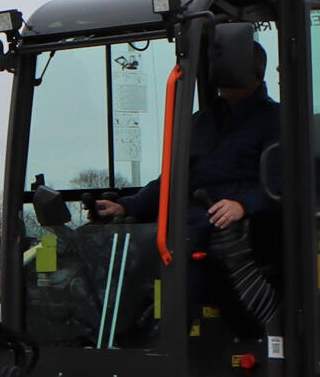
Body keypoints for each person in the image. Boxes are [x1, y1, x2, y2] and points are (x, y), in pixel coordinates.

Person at [95, 25, 280, 237]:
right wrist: (126, 207)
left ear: (254, 73)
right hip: (192, 219)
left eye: (228, 67)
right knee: (113, 240)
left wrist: (243, 205)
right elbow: (173, 181)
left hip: (240, 228)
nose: (221, 74)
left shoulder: (276, 121)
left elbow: (281, 184)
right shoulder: (202, 122)